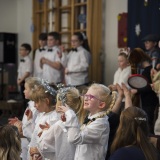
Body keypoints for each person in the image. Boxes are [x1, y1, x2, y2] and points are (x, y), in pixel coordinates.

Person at [58, 83, 116, 160]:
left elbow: (74, 139)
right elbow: (74, 135)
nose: (85, 98)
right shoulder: (91, 119)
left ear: (101, 105)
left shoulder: (101, 124)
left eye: (90, 97)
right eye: (86, 95)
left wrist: (71, 115)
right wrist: (67, 122)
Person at [29, 87, 86, 160]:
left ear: (61, 105)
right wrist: (50, 130)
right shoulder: (77, 122)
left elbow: (43, 146)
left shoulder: (60, 125)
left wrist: (45, 132)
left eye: (56, 102)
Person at [8, 77, 42, 160]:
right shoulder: (31, 104)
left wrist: (20, 130)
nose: (23, 91)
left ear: (33, 90)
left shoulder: (36, 108)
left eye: (26, 89)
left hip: (30, 143)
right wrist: (21, 123)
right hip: (26, 140)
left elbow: (34, 131)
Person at [28, 79, 59, 160]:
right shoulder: (41, 115)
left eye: (36, 102)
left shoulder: (55, 117)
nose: (34, 106)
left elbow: (55, 142)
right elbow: (35, 136)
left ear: (46, 101)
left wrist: (40, 151)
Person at [131, 52, 159, 134]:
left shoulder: (148, 71)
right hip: (148, 101)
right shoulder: (150, 70)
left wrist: (137, 90)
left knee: (148, 122)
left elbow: (151, 86)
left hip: (149, 101)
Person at [17, 43, 32, 109]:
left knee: (27, 98)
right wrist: (18, 79)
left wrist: (20, 80)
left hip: (26, 81)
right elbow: (19, 71)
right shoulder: (22, 60)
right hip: (22, 81)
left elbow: (27, 72)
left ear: (27, 51)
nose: (20, 51)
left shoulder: (28, 60)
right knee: (23, 98)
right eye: (20, 49)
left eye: (22, 49)